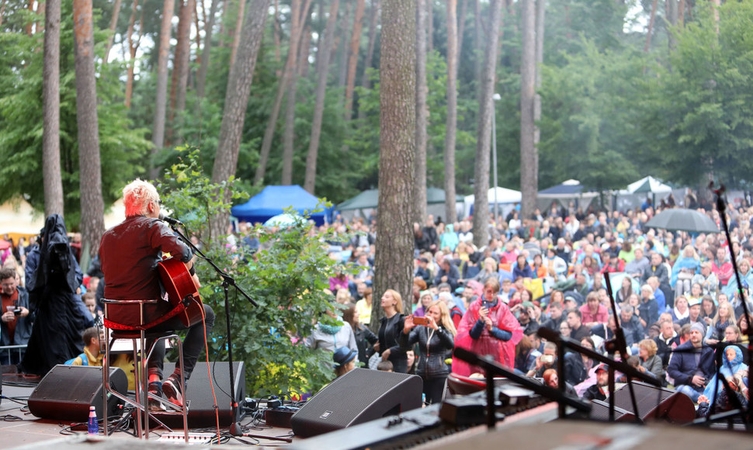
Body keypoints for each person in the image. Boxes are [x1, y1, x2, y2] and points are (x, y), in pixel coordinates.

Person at [99, 179, 215, 408]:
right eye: (158, 204)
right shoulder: (153, 226)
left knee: (154, 316)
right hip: (146, 316)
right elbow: (182, 251)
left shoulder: (108, 235)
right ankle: (178, 379)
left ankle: (154, 386)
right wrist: (187, 270)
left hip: (115, 318)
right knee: (205, 313)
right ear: (151, 206)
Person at [19, 214, 93, 377]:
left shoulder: (66, 252)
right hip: (48, 304)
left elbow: (77, 275)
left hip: (67, 302)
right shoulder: (34, 255)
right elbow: (32, 280)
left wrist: (73, 281)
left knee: (83, 323)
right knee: (50, 338)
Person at [453, 278, 523, 375]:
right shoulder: (474, 307)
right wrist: (480, 321)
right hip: (477, 354)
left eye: (494, 293)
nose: (491, 295)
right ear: (483, 290)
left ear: (498, 292)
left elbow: (508, 336)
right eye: (489, 292)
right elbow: (472, 335)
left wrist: (492, 329)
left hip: (497, 356)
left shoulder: (503, 308)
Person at [400, 301, 456, 404]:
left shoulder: (445, 329)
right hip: (422, 372)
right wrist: (405, 331)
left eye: (435, 313)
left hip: (439, 373)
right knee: (420, 403)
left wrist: (436, 329)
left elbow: (450, 344)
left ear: (441, 316)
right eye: (430, 312)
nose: (431, 315)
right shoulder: (421, 329)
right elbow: (404, 345)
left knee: (436, 404)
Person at [667, 322, 715, 402]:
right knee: (684, 390)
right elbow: (671, 370)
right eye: (692, 332)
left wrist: (708, 382)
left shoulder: (709, 351)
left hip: (704, 386)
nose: (693, 335)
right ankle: (702, 399)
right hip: (686, 385)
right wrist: (690, 379)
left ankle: (704, 397)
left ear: (702, 334)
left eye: (696, 332)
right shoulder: (680, 350)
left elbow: (712, 372)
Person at [0, 268, 32, 365]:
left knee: (23, 375)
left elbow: (37, 316)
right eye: (5, 285)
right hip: (4, 346)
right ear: (1, 283)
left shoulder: (26, 295)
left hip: (22, 345)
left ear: (16, 281)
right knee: (6, 376)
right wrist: (1, 318)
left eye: (11, 284)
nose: (9, 287)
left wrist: (28, 313)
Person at [377, 289, 408, 373]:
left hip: (398, 362)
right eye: (383, 296)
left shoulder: (401, 320)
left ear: (394, 302)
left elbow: (407, 344)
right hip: (385, 363)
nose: (382, 298)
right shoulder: (384, 321)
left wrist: (390, 350)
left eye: (386, 297)